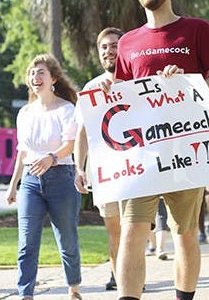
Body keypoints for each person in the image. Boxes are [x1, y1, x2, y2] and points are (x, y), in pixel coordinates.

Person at [103, 0, 209, 300]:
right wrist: (107, 91)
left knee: (184, 234)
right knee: (132, 231)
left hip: (185, 152)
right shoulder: (127, 42)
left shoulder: (197, 30)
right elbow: (123, 101)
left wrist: (188, 81)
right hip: (141, 155)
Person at [6, 54, 82, 300]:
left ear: (53, 78)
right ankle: (25, 294)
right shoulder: (25, 113)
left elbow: (71, 144)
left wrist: (52, 158)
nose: (35, 77)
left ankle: (74, 288)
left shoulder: (66, 109)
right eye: (32, 73)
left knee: (67, 239)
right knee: (27, 242)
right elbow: (22, 151)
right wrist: (13, 184)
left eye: (40, 72)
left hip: (61, 177)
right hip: (30, 181)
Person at [73, 27, 125, 291]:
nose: (109, 51)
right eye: (104, 47)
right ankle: (120, 280)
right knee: (115, 232)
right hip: (106, 172)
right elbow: (81, 133)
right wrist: (78, 169)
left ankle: (132, 280)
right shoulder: (91, 88)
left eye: (114, 45)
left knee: (136, 231)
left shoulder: (139, 80)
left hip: (139, 171)